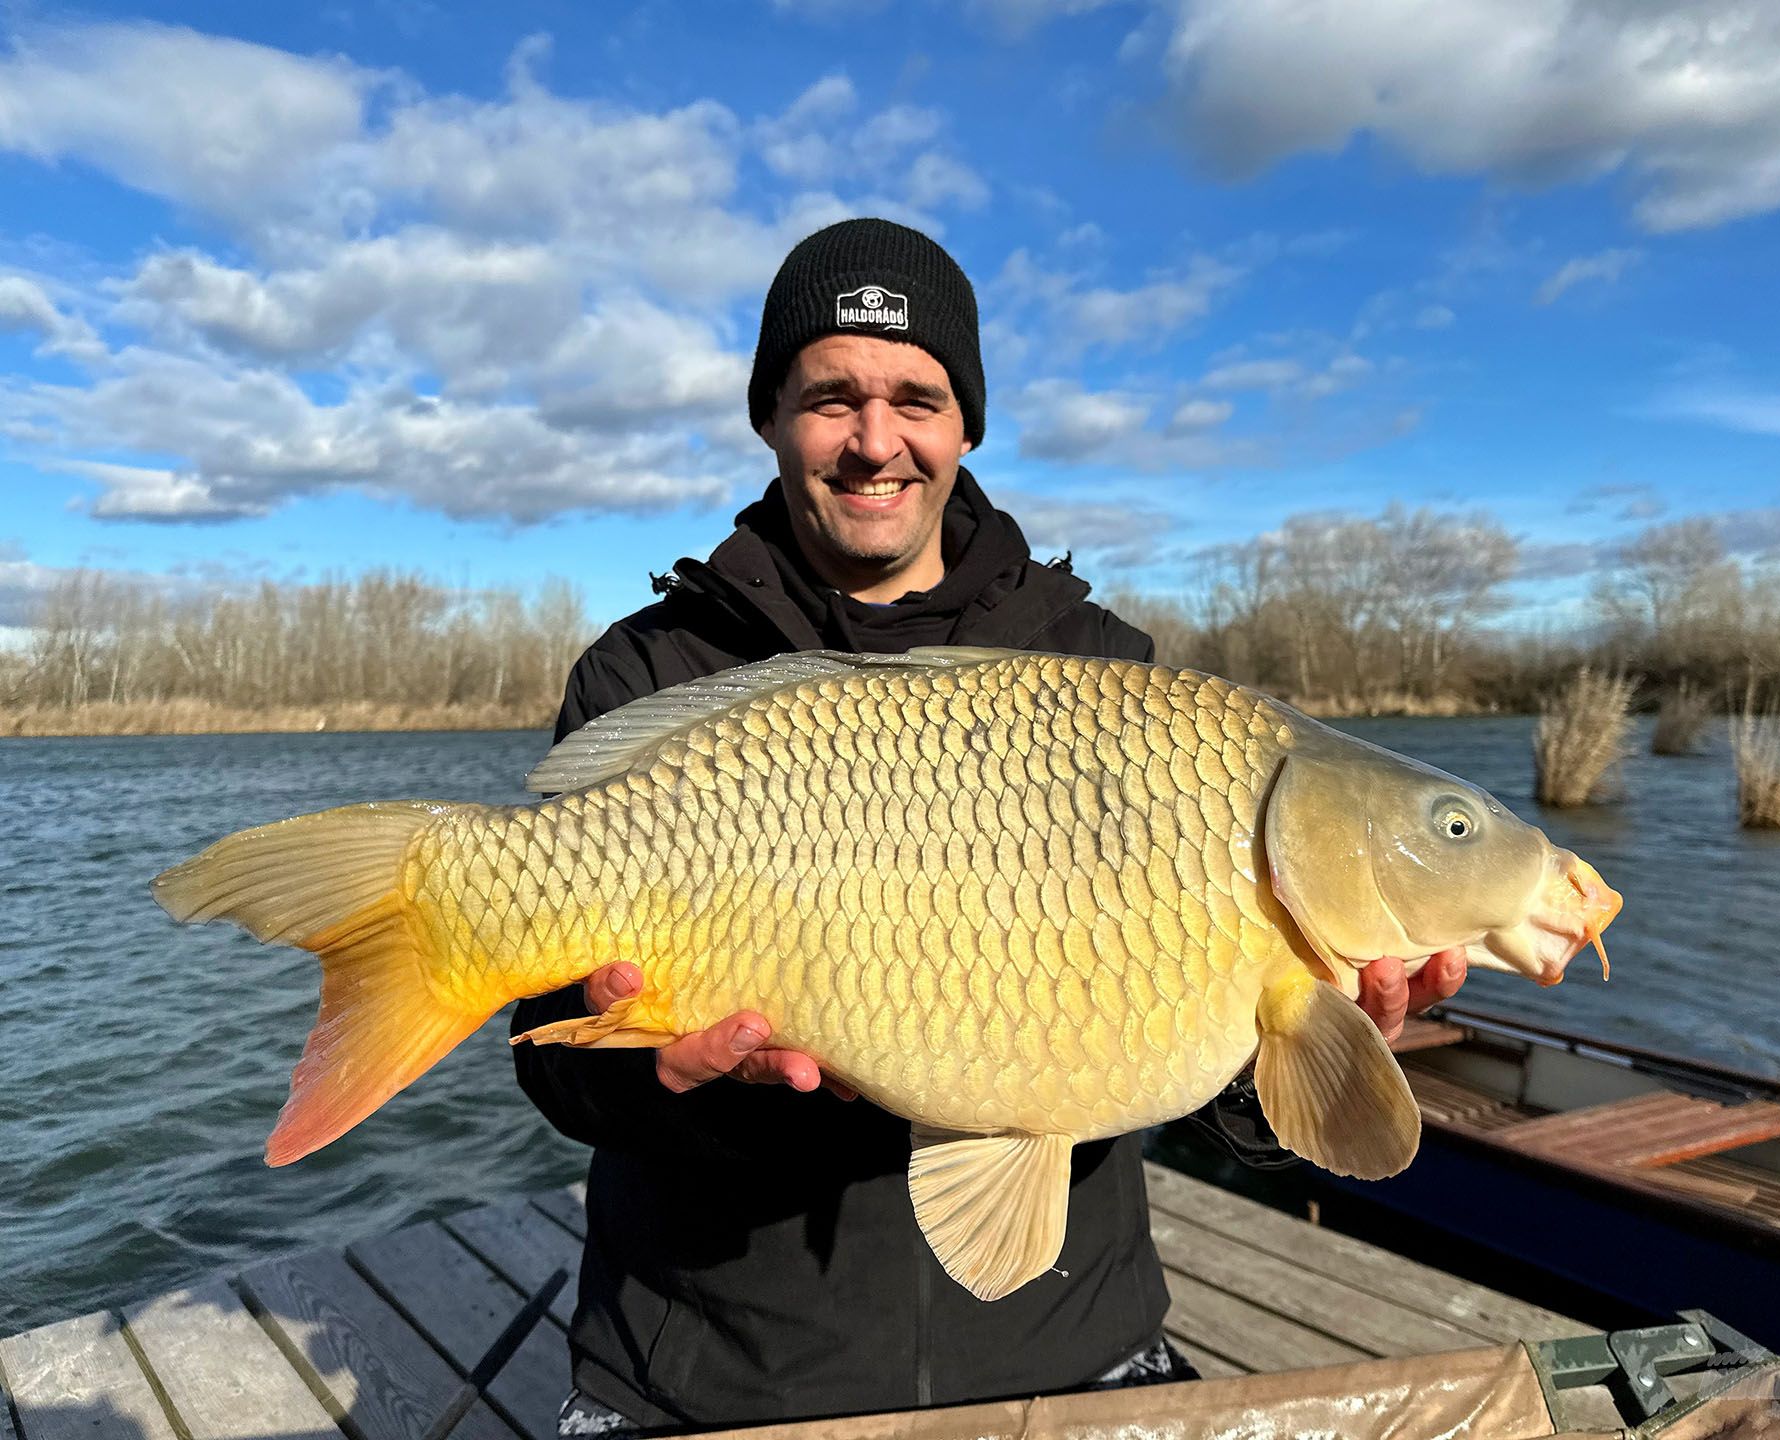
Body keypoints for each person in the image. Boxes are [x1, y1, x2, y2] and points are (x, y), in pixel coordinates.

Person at [512, 219, 1467, 1438]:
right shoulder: (647, 674)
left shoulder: (1111, 673)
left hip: (1071, 1356)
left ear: (966, 425)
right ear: (770, 418)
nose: (875, 442)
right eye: (829, 399)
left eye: (917, 397)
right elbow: (552, 1056)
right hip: (713, 1373)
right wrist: (674, 1083)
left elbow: (1213, 1101)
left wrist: (1303, 1046)